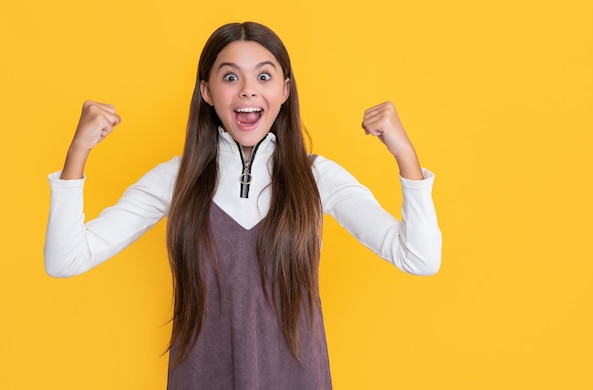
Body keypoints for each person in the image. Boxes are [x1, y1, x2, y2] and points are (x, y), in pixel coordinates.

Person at [44, 21, 442, 389]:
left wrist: (405, 156)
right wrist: (78, 153)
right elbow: (66, 260)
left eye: (264, 76)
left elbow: (419, 258)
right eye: (231, 77)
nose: (248, 90)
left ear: (285, 90)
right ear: (206, 92)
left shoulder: (318, 177)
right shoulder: (176, 179)